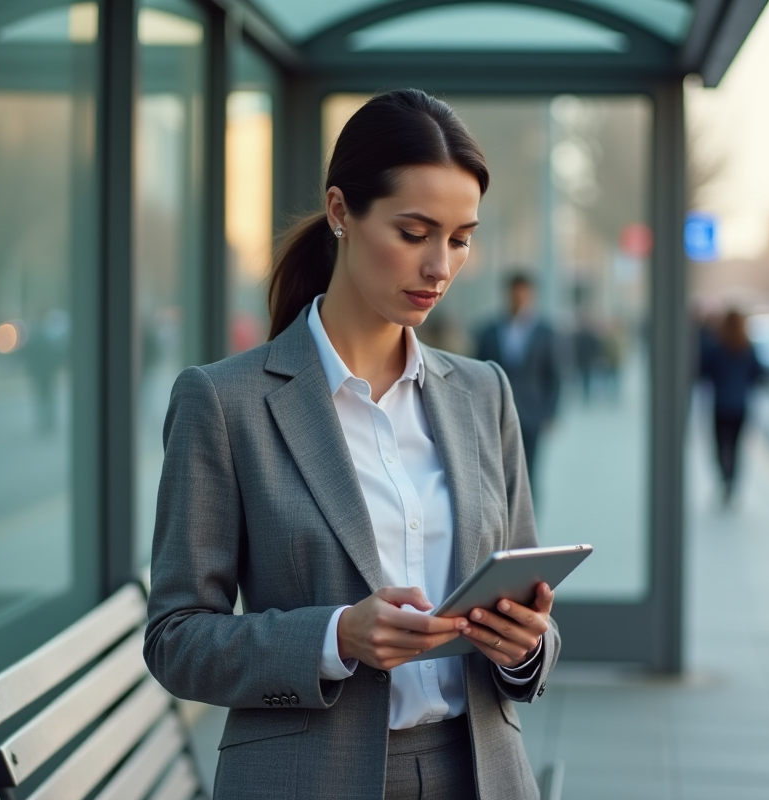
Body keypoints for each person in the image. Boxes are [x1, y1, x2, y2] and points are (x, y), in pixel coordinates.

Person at [144, 89, 558, 800]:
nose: (440, 267)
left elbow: (533, 611)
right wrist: (336, 637)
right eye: (414, 232)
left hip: (482, 774)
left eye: (459, 238)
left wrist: (525, 647)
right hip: (308, 779)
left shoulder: (483, 393)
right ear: (341, 211)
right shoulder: (224, 402)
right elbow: (177, 640)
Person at [475, 274, 561, 491]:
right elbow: (476, 372)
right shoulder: (489, 331)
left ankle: (526, 524)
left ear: (532, 296)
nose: (519, 299)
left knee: (528, 475)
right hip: (494, 413)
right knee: (495, 475)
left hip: (531, 414)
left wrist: (551, 413)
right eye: (515, 294)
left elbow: (555, 375)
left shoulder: (545, 332)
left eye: (524, 294)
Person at [699, 309, 763, 505]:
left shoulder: (717, 347)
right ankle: (732, 481)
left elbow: (704, 371)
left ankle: (725, 477)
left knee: (720, 446)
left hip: (721, 406)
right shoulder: (747, 348)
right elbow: (758, 374)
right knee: (736, 447)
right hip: (740, 406)